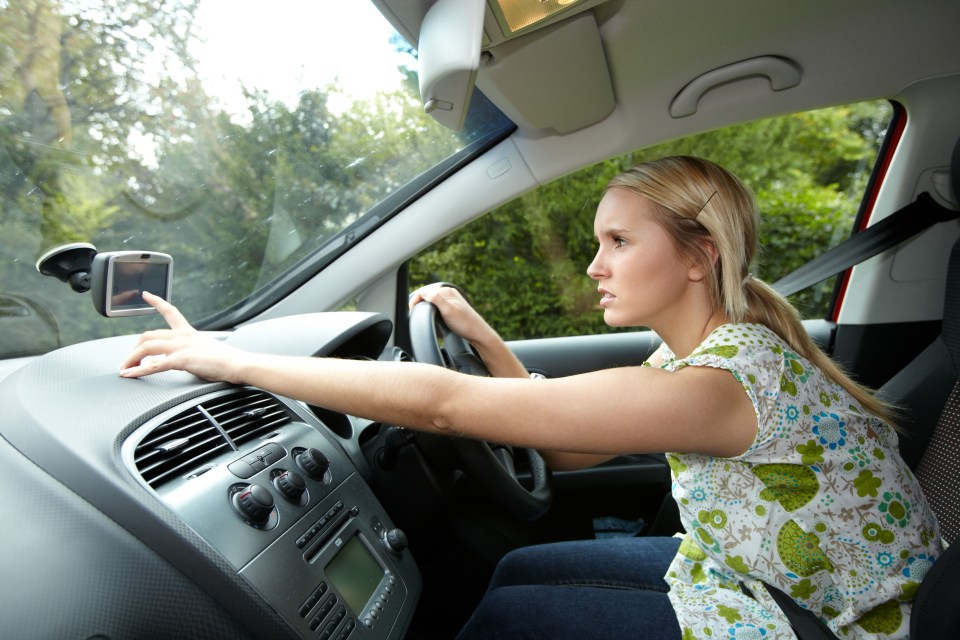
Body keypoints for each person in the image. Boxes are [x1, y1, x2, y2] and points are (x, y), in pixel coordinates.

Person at [120, 156, 941, 639]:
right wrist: (484, 338)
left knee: (510, 619)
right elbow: (569, 448)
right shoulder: (699, 356)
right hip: (760, 576)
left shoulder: (724, 384)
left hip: (829, 625)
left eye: (620, 242)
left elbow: (443, 409)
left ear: (700, 257)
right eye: (596, 243)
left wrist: (235, 359)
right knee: (513, 568)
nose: (596, 265)